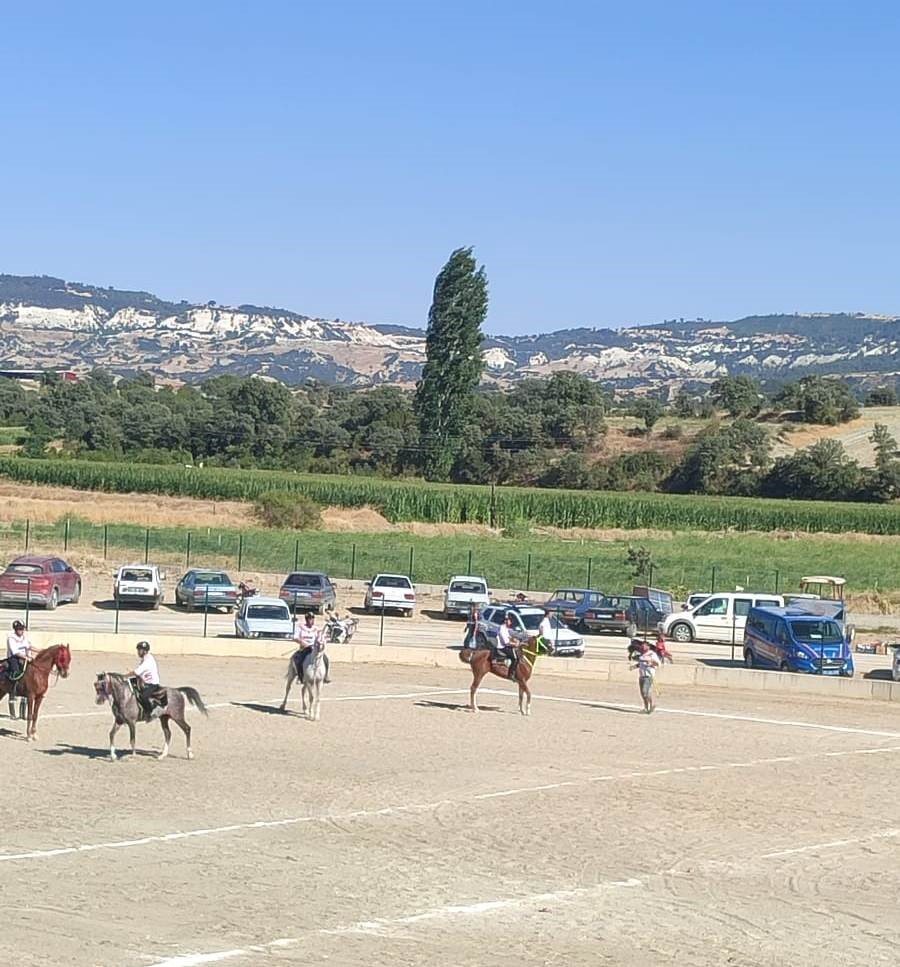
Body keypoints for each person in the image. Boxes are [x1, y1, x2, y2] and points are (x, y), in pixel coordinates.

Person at [130, 641, 166, 719]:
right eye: (138, 650)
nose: (138, 652)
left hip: (152, 684)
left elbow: (137, 672)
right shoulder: (145, 659)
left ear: (145, 651)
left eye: (139, 650)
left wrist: (124, 676)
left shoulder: (148, 660)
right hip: (145, 681)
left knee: (143, 697)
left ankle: (151, 712)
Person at [6, 619, 33, 720]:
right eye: (19, 629)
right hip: (14, 658)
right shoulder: (11, 638)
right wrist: (26, 658)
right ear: (15, 629)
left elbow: (29, 647)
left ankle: (23, 712)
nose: (21, 631)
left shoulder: (24, 638)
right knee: (16, 673)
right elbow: (15, 652)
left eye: (22, 629)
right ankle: (12, 690)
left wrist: (34, 654)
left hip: (25, 658)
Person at [294, 611, 331, 683]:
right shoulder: (301, 627)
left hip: (315, 648)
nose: (311, 620)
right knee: (299, 660)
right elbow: (295, 637)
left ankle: (326, 676)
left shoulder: (316, 629)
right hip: (304, 648)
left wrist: (324, 639)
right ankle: (300, 676)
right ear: (306, 620)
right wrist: (303, 642)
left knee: (326, 658)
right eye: (310, 619)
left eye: (312, 619)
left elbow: (320, 637)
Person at [631, 641, 660, 713]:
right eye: (642, 646)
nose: (643, 647)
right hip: (642, 675)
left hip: (648, 676)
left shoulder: (652, 654)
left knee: (645, 692)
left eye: (644, 646)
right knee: (643, 693)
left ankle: (649, 706)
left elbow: (657, 663)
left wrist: (651, 662)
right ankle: (646, 707)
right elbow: (641, 663)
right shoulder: (642, 655)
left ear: (648, 647)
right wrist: (635, 666)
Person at [495, 612, 519, 677]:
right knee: (515, 658)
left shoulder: (505, 628)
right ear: (505, 621)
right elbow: (506, 642)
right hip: (502, 647)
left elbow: (509, 637)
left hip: (506, 646)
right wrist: (515, 644)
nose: (510, 622)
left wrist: (515, 640)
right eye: (509, 620)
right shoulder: (502, 628)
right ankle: (511, 674)